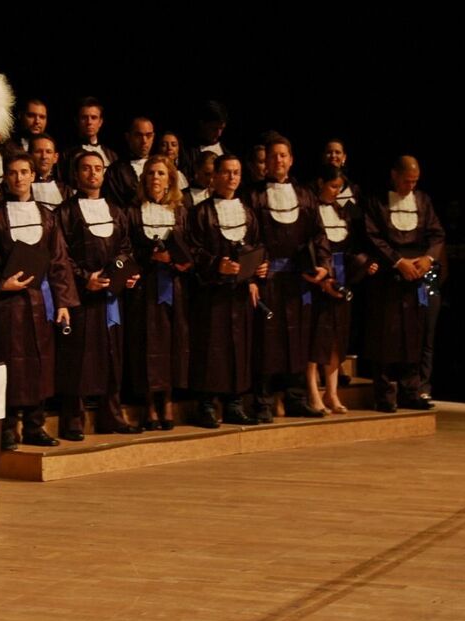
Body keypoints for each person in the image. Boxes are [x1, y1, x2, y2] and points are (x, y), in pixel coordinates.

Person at [0, 152, 79, 449]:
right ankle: (8, 428)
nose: (19, 178)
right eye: (13, 172)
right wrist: (1, 283)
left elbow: (59, 261)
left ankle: (35, 426)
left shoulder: (47, 218)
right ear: (6, 177)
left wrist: (62, 302)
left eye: (24, 172)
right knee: (9, 365)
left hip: (39, 304)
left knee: (40, 364)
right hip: (8, 306)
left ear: (33, 175)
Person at [55, 152, 141, 440]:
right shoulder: (64, 212)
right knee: (77, 359)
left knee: (112, 356)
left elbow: (125, 248)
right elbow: (61, 256)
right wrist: (84, 279)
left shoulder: (116, 211)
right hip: (82, 297)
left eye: (98, 169)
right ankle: (73, 420)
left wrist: (126, 274)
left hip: (110, 297)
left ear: (104, 173)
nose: (92, 174)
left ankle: (112, 414)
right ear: (76, 174)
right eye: (86, 169)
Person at [247, 134, 330, 422]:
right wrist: (252, 275)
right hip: (269, 278)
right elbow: (248, 237)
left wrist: (323, 265)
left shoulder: (305, 194)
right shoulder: (253, 195)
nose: (278, 160)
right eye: (273, 156)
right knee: (266, 341)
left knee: (297, 338)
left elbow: (318, 233)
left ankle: (295, 398)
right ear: (265, 161)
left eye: (283, 155)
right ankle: (264, 402)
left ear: (291, 160)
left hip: (297, 280)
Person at [186, 154, 267, 428]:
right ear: (215, 176)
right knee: (212, 348)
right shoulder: (201, 212)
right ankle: (207, 405)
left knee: (239, 347)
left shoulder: (247, 211)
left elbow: (256, 245)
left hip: (240, 292)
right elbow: (193, 251)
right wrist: (216, 265)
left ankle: (234, 403)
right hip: (212, 294)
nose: (232, 177)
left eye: (236, 172)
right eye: (227, 172)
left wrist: (257, 274)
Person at [364, 155, 445, 412]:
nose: (411, 185)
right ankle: (385, 395)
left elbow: (437, 234)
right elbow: (373, 237)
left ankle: (411, 391)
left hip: (416, 279)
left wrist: (428, 259)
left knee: (414, 336)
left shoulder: (422, 201)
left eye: (415, 181)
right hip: (389, 278)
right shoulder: (376, 202)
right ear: (394, 175)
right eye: (407, 180)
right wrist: (399, 262)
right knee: (386, 337)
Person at [124, 155, 193, 430]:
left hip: (174, 287)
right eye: (151, 173)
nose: (155, 178)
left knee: (172, 344)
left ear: (171, 180)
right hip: (145, 288)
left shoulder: (181, 212)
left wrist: (174, 260)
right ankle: (150, 405)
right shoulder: (133, 212)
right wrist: (148, 257)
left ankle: (168, 402)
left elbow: (191, 249)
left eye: (161, 174)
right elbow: (126, 246)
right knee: (147, 345)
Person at [306, 164, 377, 413]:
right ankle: (313, 392)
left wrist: (363, 265)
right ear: (320, 183)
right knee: (317, 339)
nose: (337, 192)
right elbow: (310, 247)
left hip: (342, 276)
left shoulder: (341, 212)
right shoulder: (311, 210)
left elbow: (349, 247)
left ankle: (332, 393)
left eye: (340, 187)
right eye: (333, 186)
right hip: (320, 278)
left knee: (337, 339)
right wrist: (322, 278)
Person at [61, 97, 118, 186]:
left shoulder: (111, 155)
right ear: (77, 121)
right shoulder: (66, 154)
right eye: (84, 117)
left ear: (100, 122)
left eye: (93, 117)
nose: (89, 122)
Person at [104, 116, 155, 208]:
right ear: (128, 137)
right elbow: (114, 207)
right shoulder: (116, 171)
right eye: (138, 135)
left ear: (153, 137)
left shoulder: (162, 167)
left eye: (148, 135)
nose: (144, 141)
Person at [29, 132, 70, 211]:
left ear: (55, 157)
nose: (44, 156)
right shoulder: (23, 188)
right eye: (38, 151)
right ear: (30, 156)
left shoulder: (65, 190)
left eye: (48, 152)